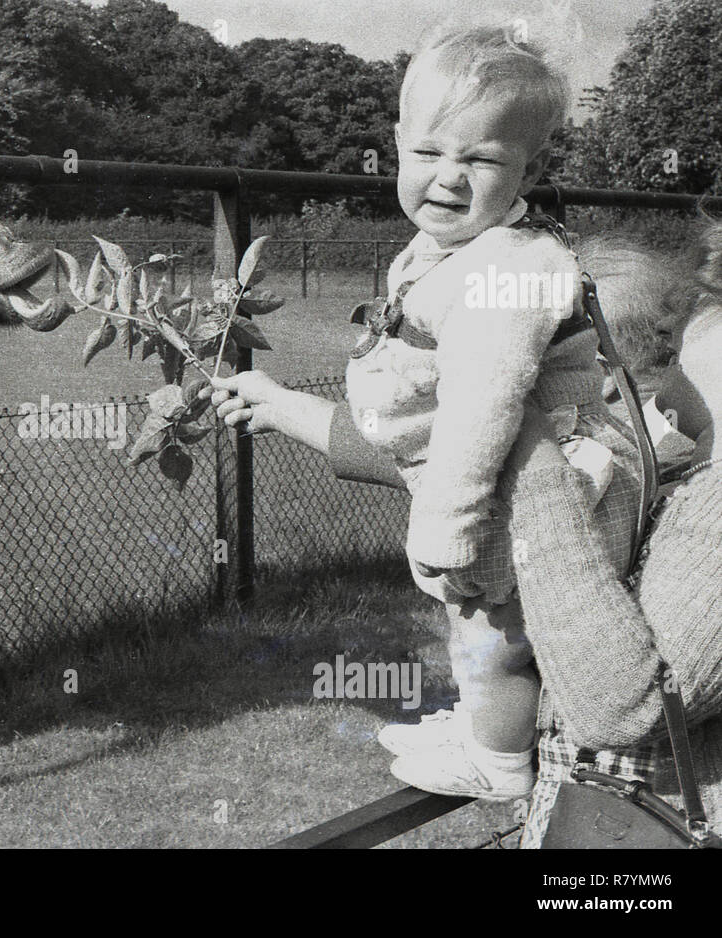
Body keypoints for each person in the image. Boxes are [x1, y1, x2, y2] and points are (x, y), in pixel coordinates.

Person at [210, 25, 644, 801]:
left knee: (492, 630)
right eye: (430, 153)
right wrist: (282, 405)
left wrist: (448, 527)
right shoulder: (447, 248)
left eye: (480, 160)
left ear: (531, 168)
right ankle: (488, 726)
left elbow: (483, 404)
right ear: (398, 143)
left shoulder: (505, 271)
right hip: (508, 480)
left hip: (547, 493)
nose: (447, 179)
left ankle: (499, 764)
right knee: (472, 622)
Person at [206, 225, 722, 845]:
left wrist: (521, 439)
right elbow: (462, 468)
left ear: (599, 376)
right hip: (587, 818)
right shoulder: (647, 447)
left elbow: (621, 704)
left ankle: (495, 755)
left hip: (647, 827)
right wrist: (284, 408)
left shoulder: (664, 478)